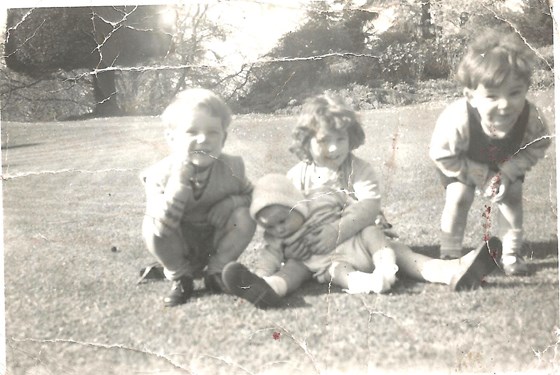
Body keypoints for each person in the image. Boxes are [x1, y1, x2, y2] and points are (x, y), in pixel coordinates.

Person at [223, 93, 502, 309]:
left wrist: (337, 230)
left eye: (340, 138)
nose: (333, 148)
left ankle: (452, 271)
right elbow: (278, 218)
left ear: (351, 137)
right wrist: (276, 258)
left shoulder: (359, 168)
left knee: (403, 254)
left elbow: (369, 206)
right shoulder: (296, 177)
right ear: (305, 142)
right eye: (323, 140)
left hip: (364, 242)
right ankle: (268, 287)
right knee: (295, 269)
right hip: (316, 253)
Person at [429, 30, 551, 275]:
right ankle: (450, 254)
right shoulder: (458, 118)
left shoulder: (531, 119)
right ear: (471, 96)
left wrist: (509, 172)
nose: (505, 105)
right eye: (492, 96)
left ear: (526, 88)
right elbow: (442, 154)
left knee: (512, 197)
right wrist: (480, 176)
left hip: (505, 162)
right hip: (460, 161)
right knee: (459, 196)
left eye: (514, 93)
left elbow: (539, 144)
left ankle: (510, 255)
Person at [141, 88, 256, 307]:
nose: (203, 139)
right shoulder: (158, 175)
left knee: (245, 216)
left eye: (213, 132)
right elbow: (161, 228)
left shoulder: (233, 167)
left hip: (216, 241)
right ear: (171, 137)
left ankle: (217, 272)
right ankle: (181, 277)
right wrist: (179, 186)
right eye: (192, 131)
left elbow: (255, 197)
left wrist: (232, 202)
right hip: (177, 243)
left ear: (224, 137)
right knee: (151, 225)